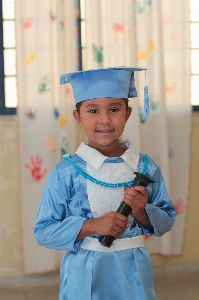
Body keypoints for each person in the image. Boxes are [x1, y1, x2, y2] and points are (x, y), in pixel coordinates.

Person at [34, 67, 176, 300]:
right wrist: (90, 226)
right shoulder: (67, 172)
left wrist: (141, 211)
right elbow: (43, 231)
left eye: (114, 109)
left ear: (127, 114)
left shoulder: (145, 167)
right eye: (93, 110)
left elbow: (167, 218)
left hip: (133, 271)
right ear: (78, 117)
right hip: (84, 272)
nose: (105, 119)